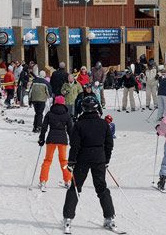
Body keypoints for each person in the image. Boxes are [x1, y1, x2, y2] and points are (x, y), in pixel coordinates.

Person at [62, 95, 116, 234]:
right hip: (99, 158)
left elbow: (75, 145)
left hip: (82, 159)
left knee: (75, 187)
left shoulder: (79, 124)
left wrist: (71, 161)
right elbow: (109, 144)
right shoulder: (103, 124)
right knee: (101, 187)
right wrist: (106, 159)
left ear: (83, 109)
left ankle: (68, 218)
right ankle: (109, 217)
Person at [38, 96, 73, 191]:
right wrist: (73, 140)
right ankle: (68, 180)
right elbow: (70, 129)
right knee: (63, 160)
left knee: (47, 160)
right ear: (63, 103)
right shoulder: (66, 114)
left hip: (51, 139)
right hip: (62, 139)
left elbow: (44, 127)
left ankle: (43, 180)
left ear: (55, 103)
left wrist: (41, 139)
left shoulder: (49, 113)